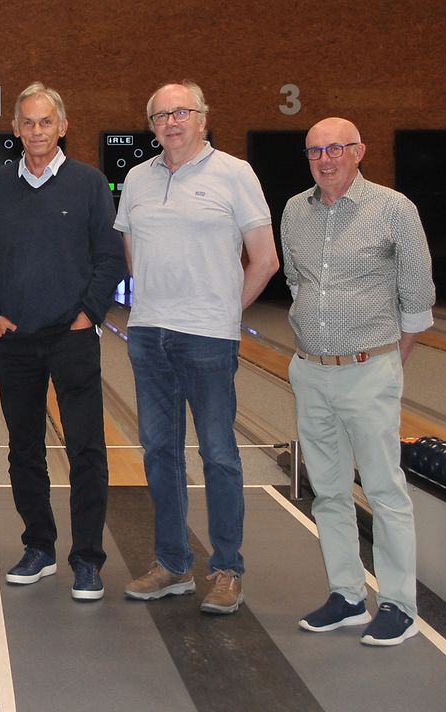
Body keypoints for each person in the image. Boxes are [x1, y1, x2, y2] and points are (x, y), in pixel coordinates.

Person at [114, 81, 279, 615]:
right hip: (149, 336)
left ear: (203, 118)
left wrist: (223, 314)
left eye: (181, 112)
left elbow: (265, 259)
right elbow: (132, 247)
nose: (171, 122)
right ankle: (173, 564)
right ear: (152, 124)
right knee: (160, 455)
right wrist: (155, 307)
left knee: (219, 455)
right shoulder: (139, 177)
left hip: (208, 338)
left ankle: (228, 569)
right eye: (160, 114)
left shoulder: (235, 173)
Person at [0, 82, 127, 601]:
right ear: (15, 128)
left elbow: (110, 257)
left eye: (46, 122)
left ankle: (87, 559)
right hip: (15, 339)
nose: (36, 131)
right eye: (27, 122)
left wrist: (89, 314)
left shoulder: (88, 182)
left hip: (71, 338)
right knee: (24, 450)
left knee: (86, 449)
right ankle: (38, 546)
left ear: (63, 127)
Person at [283, 117, 434, 646]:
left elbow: (417, 304)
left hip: (369, 368)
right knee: (327, 491)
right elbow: (297, 283)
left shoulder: (395, 210)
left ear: (359, 152)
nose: (325, 159)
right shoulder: (293, 212)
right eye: (315, 151)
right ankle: (347, 594)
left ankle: (398, 604)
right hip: (310, 371)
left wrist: (384, 364)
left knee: (384, 490)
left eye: (336, 149)